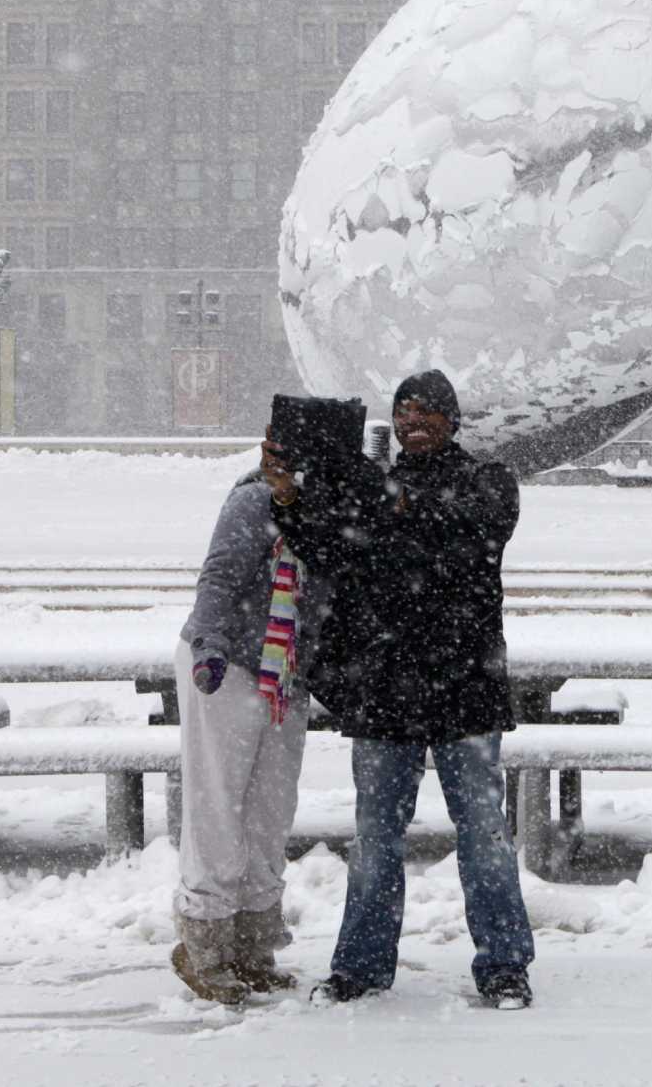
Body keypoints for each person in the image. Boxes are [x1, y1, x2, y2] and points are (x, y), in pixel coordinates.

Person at [285, 370, 536, 1011]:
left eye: (426, 412)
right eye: (403, 413)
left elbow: (473, 528)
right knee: (374, 839)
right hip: (385, 688)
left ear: (453, 420)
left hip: (464, 687)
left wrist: (383, 496)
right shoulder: (375, 487)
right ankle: (361, 967)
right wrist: (290, 496)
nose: (412, 423)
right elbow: (325, 548)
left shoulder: (489, 480)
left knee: (483, 834)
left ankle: (505, 965)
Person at [168, 437, 334, 1005]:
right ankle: (203, 945)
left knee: (270, 810)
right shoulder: (253, 500)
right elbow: (218, 577)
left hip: (286, 673)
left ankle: (252, 945)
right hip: (228, 663)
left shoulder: (336, 507)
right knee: (217, 803)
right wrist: (211, 642)